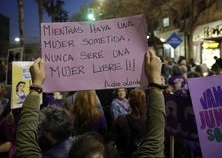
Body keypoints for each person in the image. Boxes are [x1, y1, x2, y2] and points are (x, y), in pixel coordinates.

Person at [16, 49, 166, 157]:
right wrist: (155, 83)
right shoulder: (99, 114)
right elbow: (153, 144)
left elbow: (25, 143)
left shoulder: (71, 106)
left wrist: (36, 85)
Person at [111, 88, 146, 157]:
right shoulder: (150, 119)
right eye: (119, 91)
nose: (121, 93)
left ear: (129, 101)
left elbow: (114, 139)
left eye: (123, 90)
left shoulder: (120, 119)